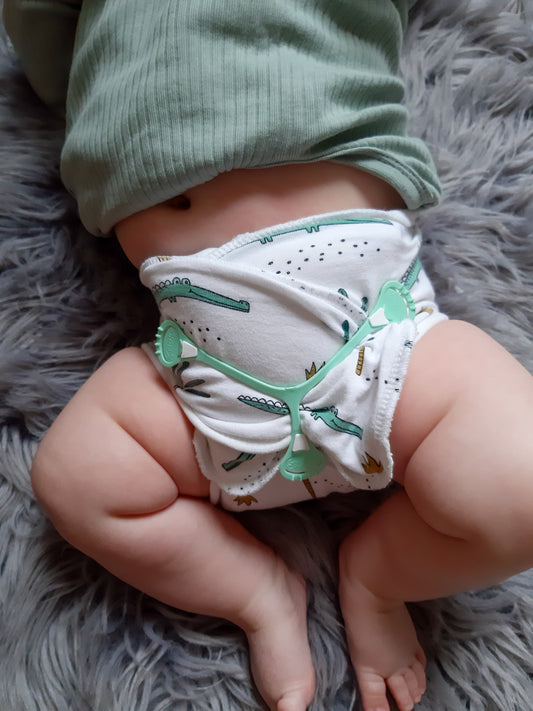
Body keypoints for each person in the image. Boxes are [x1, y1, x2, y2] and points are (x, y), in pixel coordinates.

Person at [4, 2, 533, 710]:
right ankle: (256, 592)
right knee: (76, 479)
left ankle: (379, 575)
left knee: (522, 489)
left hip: (382, 339)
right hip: (200, 376)